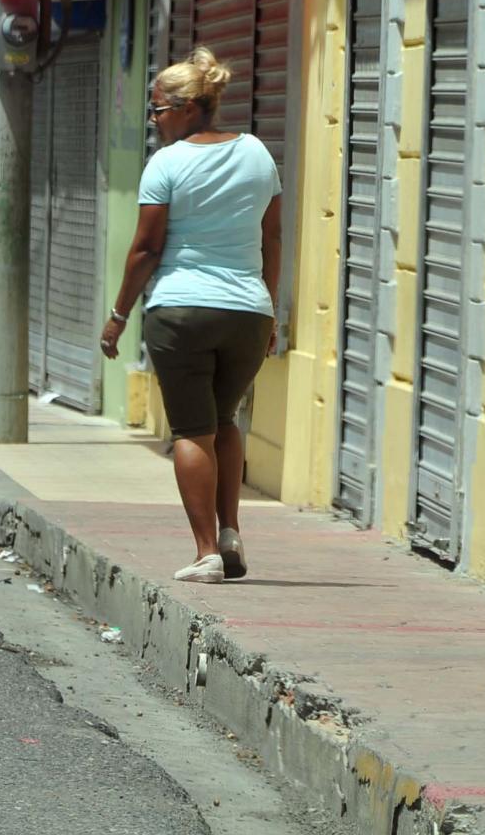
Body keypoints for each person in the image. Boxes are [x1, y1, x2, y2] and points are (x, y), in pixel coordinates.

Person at [101, 48, 282, 585]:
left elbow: (146, 249)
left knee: (191, 430)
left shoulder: (167, 164)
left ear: (186, 107)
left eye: (157, 110)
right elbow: (271, 237)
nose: (154, 120)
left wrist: (117, 315)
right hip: (247, 313)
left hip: (181, 310)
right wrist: (268, 309)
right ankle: (230, 532)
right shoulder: (257, 154)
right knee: (225, 420)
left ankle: (205, 552)